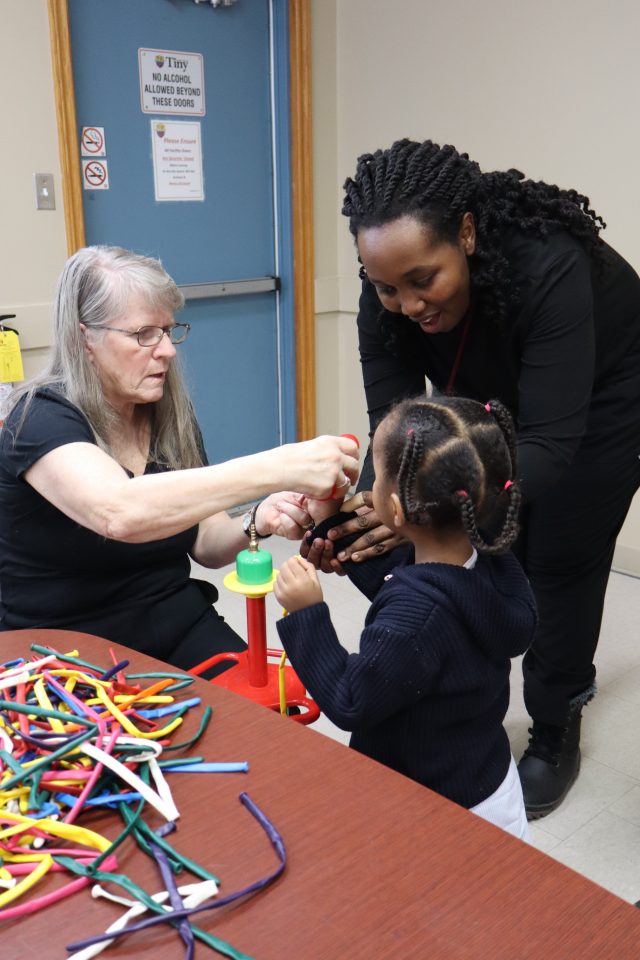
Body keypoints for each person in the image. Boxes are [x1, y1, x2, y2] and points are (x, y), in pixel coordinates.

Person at [301, 139, 640, 818]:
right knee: (439, 514)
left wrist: (438, 501)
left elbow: (548, 441)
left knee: (558, 558)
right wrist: (372, 515)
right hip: (492, 394)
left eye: (423, 280)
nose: (405, 302)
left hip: (604, 396)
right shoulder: (390, 297)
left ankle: (554, 725)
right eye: (384, 285)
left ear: (466, 232)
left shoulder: (548, 265)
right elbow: (394, 432)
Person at [0, 247, 359, 675]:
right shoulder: (37, 416)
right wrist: (279, 465)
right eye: (144, 334)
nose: (167, 350)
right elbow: (119, 511)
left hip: (175, 621)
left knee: (266, 719)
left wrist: (260, 517)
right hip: (67, 649)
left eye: (169, 330)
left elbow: (205, 543)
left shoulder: (168, 415)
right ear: (85, 339)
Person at [276, 396, 537, 840]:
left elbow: (351, 700)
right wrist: (328, 527)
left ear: (395, 511)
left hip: (428, 810)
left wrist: (306, 614)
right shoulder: (490, 563)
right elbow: (417, 581)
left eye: (375, 474)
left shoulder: (416, 618)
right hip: (490, 787)